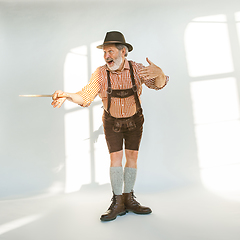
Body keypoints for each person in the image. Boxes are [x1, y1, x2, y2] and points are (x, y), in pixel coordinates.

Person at [51, 31, 169, 221]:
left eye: (111, 51)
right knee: (115, 159)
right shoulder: (100, 73)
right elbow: (86, 95)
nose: (107, 56)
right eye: (105, 52)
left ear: (123, 52)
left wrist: (160, 74)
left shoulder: (137, 69)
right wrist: (67, 95)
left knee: (132, 157)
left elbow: (158, 85)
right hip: (112, 121)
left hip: (134, 120)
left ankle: (129, 198)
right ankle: (117, 202)